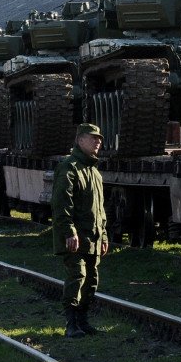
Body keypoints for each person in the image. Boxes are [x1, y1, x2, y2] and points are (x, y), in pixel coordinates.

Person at [51, 123, 109, 338]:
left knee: (91, 280)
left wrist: (103, 236)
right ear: (80, 140)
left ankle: (83, 321)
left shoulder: (94, 171)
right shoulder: (69, 167)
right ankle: (71, 323)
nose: (98, 142)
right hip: (75, 237)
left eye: (100, 139)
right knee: (77, 276)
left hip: (93, 237)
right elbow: (61, 203)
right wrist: (69, 232)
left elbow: (100, 210)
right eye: (93, 138)